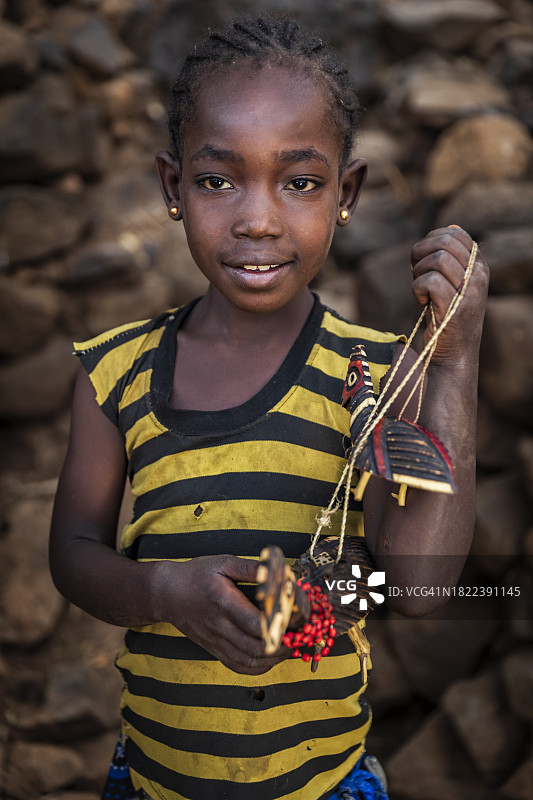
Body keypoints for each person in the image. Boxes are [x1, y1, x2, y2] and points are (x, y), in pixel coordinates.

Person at [49, 15, 489, 800]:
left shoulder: (374, 373)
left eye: (300, 182)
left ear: (344, 193)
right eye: (218, 180)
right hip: (153, 783)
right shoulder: (113, 372)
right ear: (171, 187)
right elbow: (74, 554)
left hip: (326, 787)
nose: (257, 219)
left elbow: (414, 590)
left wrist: (453, 359)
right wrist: (163, 594)